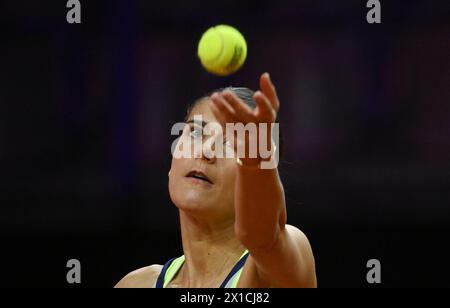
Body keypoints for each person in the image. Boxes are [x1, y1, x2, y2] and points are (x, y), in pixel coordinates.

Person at [115, 73, 316, 288]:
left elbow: (263, 237)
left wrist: (256, 160)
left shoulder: (268, 272)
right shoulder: (136, 284)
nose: (206, 152)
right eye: (196, 132)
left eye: (231, 144)